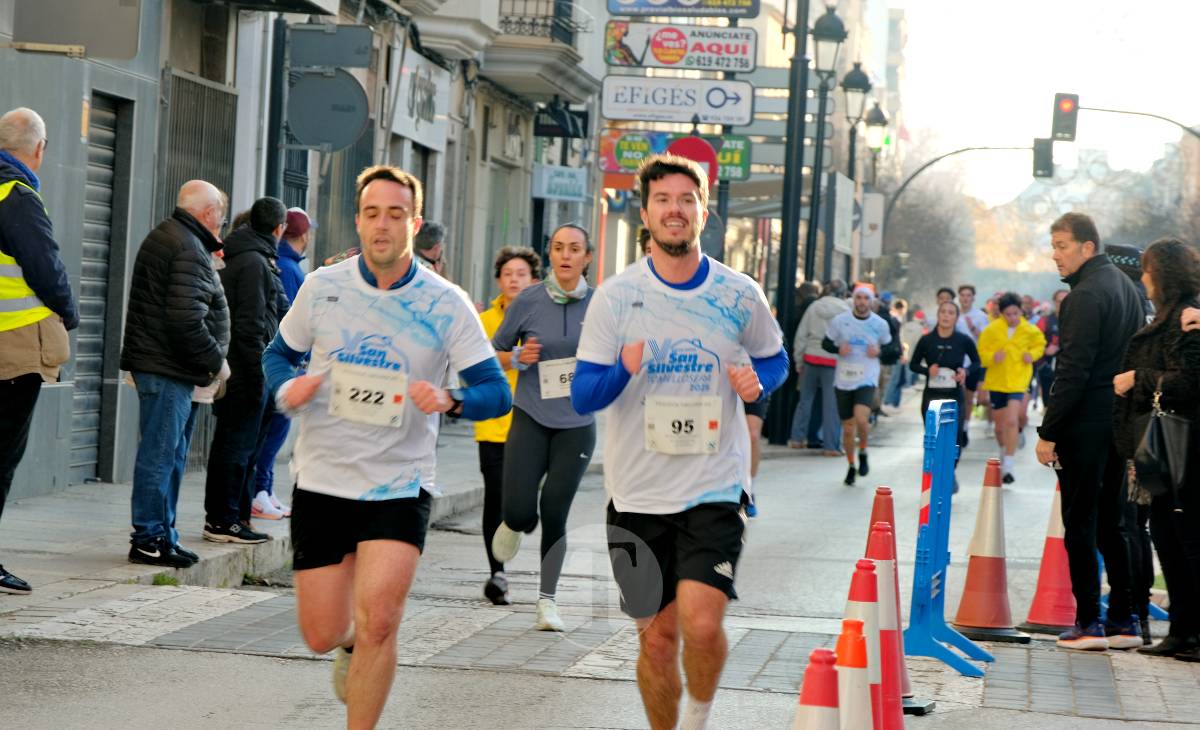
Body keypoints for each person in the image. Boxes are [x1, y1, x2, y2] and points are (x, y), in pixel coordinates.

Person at [262, 164, 511, 725]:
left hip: (400, 485)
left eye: (395, 214)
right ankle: (346, 645)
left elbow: (496, 393)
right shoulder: (324, 288)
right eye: (372, 214)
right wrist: (288, 386)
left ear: (413, 223)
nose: (382, 225)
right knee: (323, 633)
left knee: (381, 621)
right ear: (358, 220)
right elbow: (276, 355)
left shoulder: (446, 303)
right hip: (324, 480)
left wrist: (451, 399)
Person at [571, 154, 788, 730]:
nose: (675, 209)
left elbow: (776, 359)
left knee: (700, 622)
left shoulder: (739, 293)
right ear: (645, 212)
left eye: (686, 199)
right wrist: (622, 367)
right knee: (658, 639)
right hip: (637, 492)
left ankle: (697, 716)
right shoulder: (616, 298)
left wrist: (757, 381)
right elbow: (584, 395)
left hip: (713, 486)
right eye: (663, 200)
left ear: (702, 210)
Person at [1034, 212, 1144, 651]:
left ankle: (1088, 623)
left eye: (1062, 245)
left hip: (1085, 424)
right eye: (1053, 245)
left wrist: (1048, 432)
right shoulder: (1125, 289)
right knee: (1113, 524)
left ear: (1087, 247)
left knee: (1080, 523)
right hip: (1118, 422)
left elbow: (1072, 372)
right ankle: (1123, 620)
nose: (1055, 255)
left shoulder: (1081, 297)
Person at [490, 223, 597, 631]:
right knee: (519, 511)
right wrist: (518, 357)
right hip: (531, 416)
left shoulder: (601, 306)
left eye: (574, 249)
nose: (566, 255)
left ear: (587, 257)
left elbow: (623, 354)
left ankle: (547, 601)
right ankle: (514, 523)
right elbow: (495, 351)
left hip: (578, 423)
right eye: (558, 248)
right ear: (550, 255)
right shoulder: (529, 300)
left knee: (554, 509)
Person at [121, 180, 229, 569]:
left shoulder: (179, 238)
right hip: (167, 367)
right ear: (208, 212)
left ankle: (163, 534)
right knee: (161, 454)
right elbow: (186, 319)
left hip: (171, 367)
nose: (223, 220)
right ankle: (149, 537)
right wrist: (216, 361)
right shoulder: (185, 245)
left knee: (171, 454)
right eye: (220, 212)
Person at [0, 107, 79, 595]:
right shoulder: (17, 194)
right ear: (39, 148)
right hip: (13, 349)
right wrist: (68, 312)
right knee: (3, 456)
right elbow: (45, 266)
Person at [1112, 238, 1200, 659]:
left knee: (1186, 540)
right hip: (1165, 452)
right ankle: (1183, 631)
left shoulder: (1188, 317)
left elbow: (1188, 382)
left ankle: (1192, 632)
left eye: (1148, 270)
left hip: (1185, 449)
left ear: (1162, 274)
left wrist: (1138, 378)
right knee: (1166, 535)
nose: (1143, 277)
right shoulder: (1173, 315)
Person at [201, 197, 290, 544]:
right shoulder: (254, 262)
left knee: (242, 449)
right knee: (236, 448)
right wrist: (259, 373)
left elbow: (271, 313)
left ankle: (234, 518)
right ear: (279, 228)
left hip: (245, 368)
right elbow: (251, 325)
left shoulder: (254, 257)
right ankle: (224, 520)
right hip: (247, 371)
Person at [475, 246, 541, 606]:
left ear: (534, 281)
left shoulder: (547, 318)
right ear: (499, 280)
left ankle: (524, 517)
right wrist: (514, 357)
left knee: (522, 508)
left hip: (536, 424)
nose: (514, 279)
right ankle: (496, 572)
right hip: (494, 424)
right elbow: (480, 361)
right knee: (495, 500)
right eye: (508, 274)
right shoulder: (485, 321)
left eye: (522, 274)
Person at [251, 206, 314, 519]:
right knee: (275, 429)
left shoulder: (285, 264)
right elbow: (289, 321)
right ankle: (260, 489)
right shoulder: (290, 269)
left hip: (285, 363)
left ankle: (265, 489)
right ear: (302, 235)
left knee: (275, 429)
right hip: (286, 366)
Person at [823, 285, 892, 486]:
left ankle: (863, 449)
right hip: (843, 379)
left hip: (867, 378)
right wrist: (838, 348)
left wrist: (878, 352)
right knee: (847, 428)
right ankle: (851, 465)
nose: (862, 302)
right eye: (858, 298)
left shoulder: (880, 324)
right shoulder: (840, 321)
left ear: (871, 302)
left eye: (865, 298)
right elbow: (825, 344)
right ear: (854, 300)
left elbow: (891, 347)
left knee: (862, 419)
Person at [909, 301, 979, 491]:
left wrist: (965, 371)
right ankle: (935, 475)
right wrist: (926, 370)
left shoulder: (963, 340)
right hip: (931, 396)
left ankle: (950, 472)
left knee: (954, 439)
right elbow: (913, 364)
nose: (946, 316)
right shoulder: (927, 340)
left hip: (954, 395)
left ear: (956, 318)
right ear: (938, 315)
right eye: (943, 312)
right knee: (933, 437)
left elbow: (977, 363)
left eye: (951, 313)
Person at [977, 292, 1045, 484]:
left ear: (1021, 311)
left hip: (1018, 380)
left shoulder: (1029, 330)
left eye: (1016, 313)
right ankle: (1004, 448)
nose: (1013, 318)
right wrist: (992, 357)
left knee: (1012, 421)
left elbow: (1040, 345)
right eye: (1008, 314)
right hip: (997, 381)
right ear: (1001, 313)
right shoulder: (992, 330)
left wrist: (1031, 355)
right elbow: (982, 352)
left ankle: (1008, 464)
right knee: (999, 428)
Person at [790, 279, 849, 453]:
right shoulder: (846, 312)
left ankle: (797, 438)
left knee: (805, 401)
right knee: (831, 405)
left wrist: (799, 360)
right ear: (844, 293)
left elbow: (801, 336)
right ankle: (831, 446)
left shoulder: (814, 307)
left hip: (811, 358)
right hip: (833, 361)